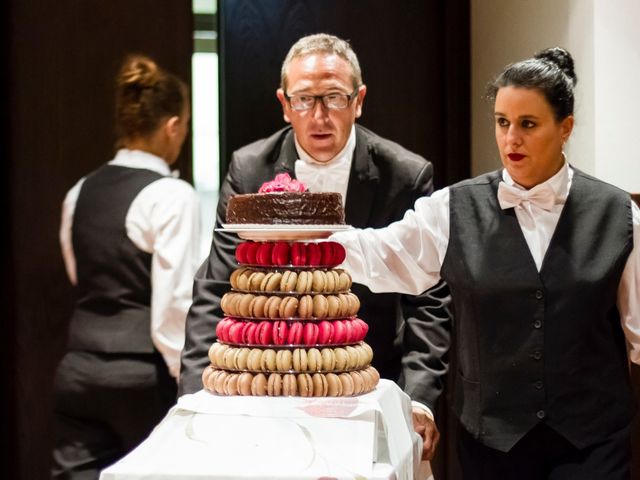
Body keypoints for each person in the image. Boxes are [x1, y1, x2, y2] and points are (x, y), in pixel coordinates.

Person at [331, 46, 640, 479]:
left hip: (591, 444)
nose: (511, 139)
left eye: (528, 125)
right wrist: (303, 240)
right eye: (502, 122)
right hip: (490, 445)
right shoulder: (452, 207)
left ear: (565, 127)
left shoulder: (618, 213)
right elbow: (381, 254)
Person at [178, 33, 451, 461]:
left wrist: (419, 399)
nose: (319, 116)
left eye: (335, 98)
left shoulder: (405, 174)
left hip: (367, 384)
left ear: (358, 100)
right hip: (266, 386)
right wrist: (194, 396)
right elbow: (216, 284)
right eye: (304, 100)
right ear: (285, 104)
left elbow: (428, 298)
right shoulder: (249, 169)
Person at [52, 54, 201, 478]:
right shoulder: (172, 195)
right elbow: (175, 306)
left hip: (78, 368)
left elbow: (81, 275)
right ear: (173, 126)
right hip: (141, 378)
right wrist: (188, 384)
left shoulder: (79, 191)